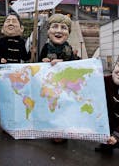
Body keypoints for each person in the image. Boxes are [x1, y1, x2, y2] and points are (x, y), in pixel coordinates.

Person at [39, 13, 75, 143]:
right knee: (50, 107)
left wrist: (62, 63)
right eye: (55, 26)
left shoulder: (68, 49)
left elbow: (73, 65)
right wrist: (43, 61)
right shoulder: (46, 47)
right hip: (49, 85)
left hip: (64, 86)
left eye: (63, 28)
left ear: (68, 32)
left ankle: (61, 132)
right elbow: (37, 64)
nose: (59, 31)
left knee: (62, 108)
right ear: (48, 31)